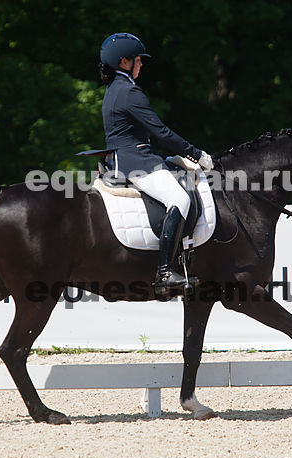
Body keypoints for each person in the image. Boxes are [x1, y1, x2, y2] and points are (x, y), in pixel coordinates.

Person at [99, 32, 213, 293]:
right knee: (180, 199)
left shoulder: (114, 89)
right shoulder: (129, 91)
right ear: (124, 62)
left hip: (128, 158)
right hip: (136, 162)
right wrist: (195, 154)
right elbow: (162, 133)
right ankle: (165, 272)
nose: (141, 64)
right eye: (138, 60)